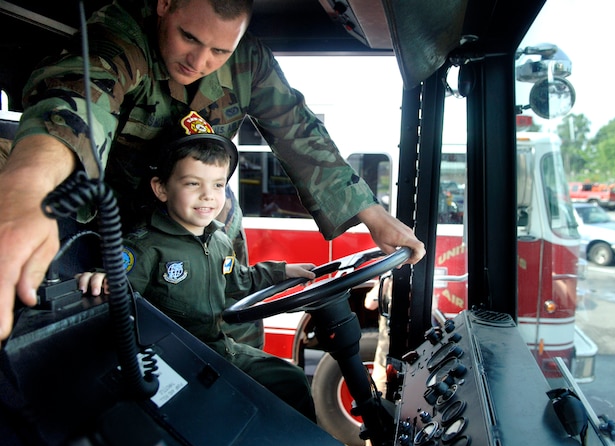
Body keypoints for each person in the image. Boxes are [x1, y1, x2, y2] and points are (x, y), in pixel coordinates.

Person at [0, 0, 425, 341]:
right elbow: (74, 102)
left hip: (209, 226)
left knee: (236, 330)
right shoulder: (120, 36)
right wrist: (26, 192)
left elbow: (297, 130)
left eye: (219, 51)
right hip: (126, 226)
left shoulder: (248, 62)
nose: (199, 61)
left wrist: (375, 217)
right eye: (189, 37)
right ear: (164, 5)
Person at [78, 110, 318, 420]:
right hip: (177, 357)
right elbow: (119, 297)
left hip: (218, 347)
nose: (208, 196)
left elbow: (237, 281)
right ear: (161, 188)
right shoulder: (145, 247)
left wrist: (281, 272)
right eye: (193, 183)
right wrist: (101, 279)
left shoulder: (217, 239)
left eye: (218, 185)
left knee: (292, 379)